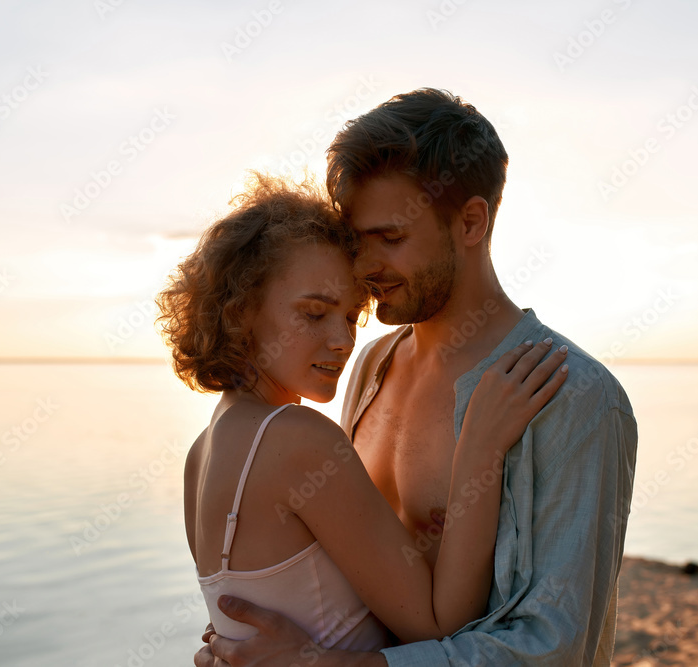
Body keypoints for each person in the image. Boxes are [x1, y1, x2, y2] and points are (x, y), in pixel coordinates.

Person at [197, 89, 638, 666]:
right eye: (359, 242)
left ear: (472, 223)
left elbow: (554, 648)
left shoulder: (574, 396)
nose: (366, 267)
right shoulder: (369, 365)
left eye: (392, 238)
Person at [156, 173, 570, 654]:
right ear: (240, 311)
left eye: (352, 316)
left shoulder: (200, 455)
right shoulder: (297, 439)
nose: (343, 340)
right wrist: (480, 445)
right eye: (314, 313)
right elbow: (439, 626)